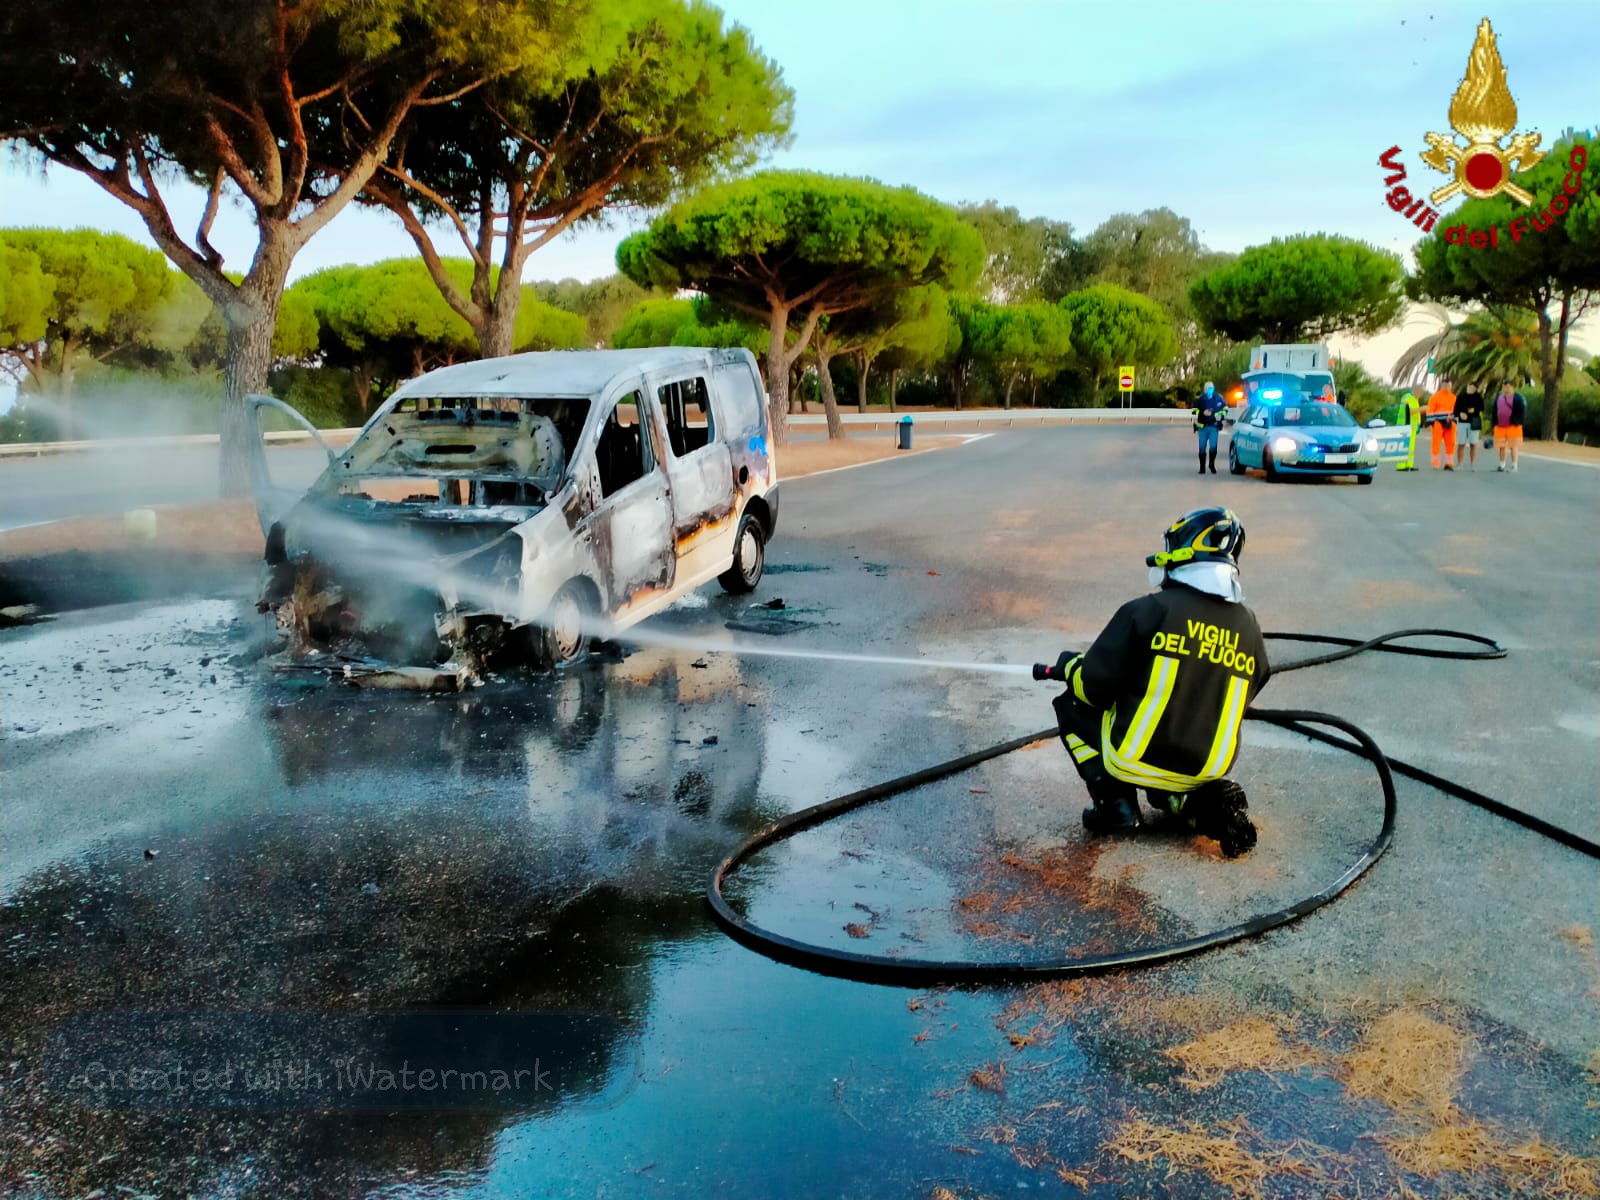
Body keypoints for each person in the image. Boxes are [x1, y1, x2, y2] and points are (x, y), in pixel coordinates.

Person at [1036, 507, 1271, 857]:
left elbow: (1095, 687)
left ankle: (1116, 806)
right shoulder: (1249, 626)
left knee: (1073, 703)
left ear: (1182, 553)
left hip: (1134, 758)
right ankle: (1188, 803)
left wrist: (1070, 668)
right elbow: (1253, 683)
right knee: (1185, 736)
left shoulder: (1148, 611)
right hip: (1205, 767)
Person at [1193, 382, 1227, 474]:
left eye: (1212, 388)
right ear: (1205, 389)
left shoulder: (1218, 398)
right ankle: (1202, 467)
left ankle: (1212, 464)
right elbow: (1194, 410)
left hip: (1214, 426)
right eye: (1208, 388)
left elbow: (1225, 409)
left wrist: (1221, 416)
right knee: (1202, 448)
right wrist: (1202, 413)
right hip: (1202, 427)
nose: (1210, 390)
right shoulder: (1200, 400)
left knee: (1213, 447)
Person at [1493, 380, 1527, 471]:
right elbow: (1494, 410)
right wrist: (1494, 422)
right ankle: (1502, 465)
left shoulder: (1518, 398)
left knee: (1514, 446)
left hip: (1513, 426)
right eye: (1505, 386)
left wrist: (1520, 422)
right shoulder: (1499, 397)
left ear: (1512, 387)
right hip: (1500, 426)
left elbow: (1522, 411)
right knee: (1501, 446)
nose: (1506, 389)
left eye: (1508, 386)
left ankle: (1514, 465)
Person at [1424, 380, 1458, 470]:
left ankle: (1449, 464)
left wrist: (1453, 420)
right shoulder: (1435, 397)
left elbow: (1457, 411)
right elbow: (1430, 410)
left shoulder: (1454, 398)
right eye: (1445, 385)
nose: (1447, 387)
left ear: (1451, 386)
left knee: (1451, 443)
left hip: (1450, 423)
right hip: (1437, 422)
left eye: (1449, 386)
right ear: (1441, 386)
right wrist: (1431, 422)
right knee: (1436, 443)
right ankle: (1435, 463)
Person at [1454, 386, 1485, 470]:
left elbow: (1482, 408)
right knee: (1461, 443)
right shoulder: (1461, 396)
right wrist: (1460, 413)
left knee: (1473, 444)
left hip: (1474, 422)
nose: (1471, 388)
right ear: (1467, 387)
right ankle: (1460, 464)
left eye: (1473, 386)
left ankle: (1473, 464)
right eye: (1470, 386)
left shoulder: (1478, 397)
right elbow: (1455, 410)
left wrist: (1474, 410)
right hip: (1462, 422)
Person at [1395, 390, 1422, 471]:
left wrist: (1418, 425)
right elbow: (1410, 411)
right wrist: (1422, 409)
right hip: (1405, 426)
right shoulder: (1408, 398)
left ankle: (1409, 464)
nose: (1421, 394)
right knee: (1404, 446)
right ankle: (1401, 465)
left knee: (1411, 448)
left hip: (1412, 427)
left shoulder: (1414, 399)